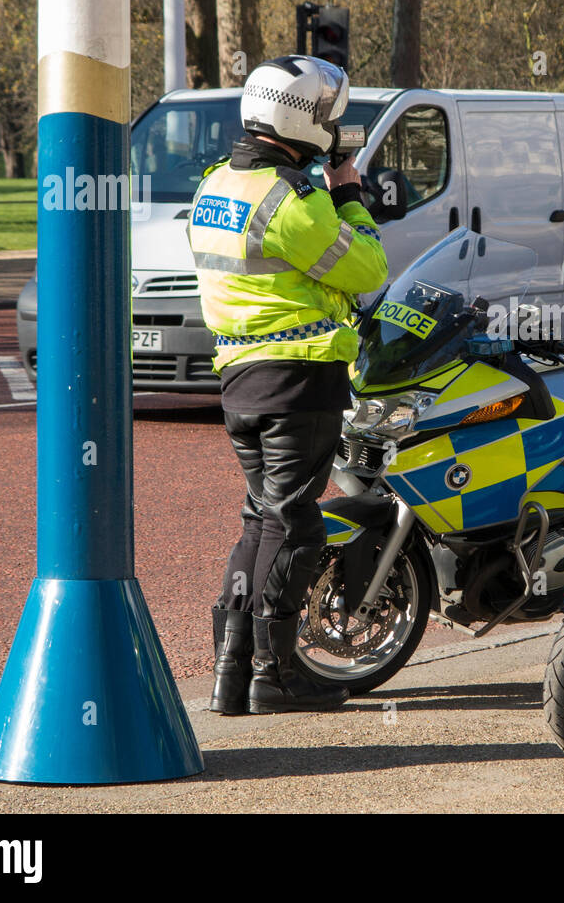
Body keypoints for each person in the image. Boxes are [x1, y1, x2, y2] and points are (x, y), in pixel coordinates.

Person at [189, 55, 388, 716]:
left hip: (240, 378)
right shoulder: (293, 201)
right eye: (329, 117)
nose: (334, 128)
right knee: (298, 530)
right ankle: (275, 678)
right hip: (299, 375)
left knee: (260, 522)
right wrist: (350, 194)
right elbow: (367, 270)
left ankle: (231, 673)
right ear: (303, 119)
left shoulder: (216, 183)